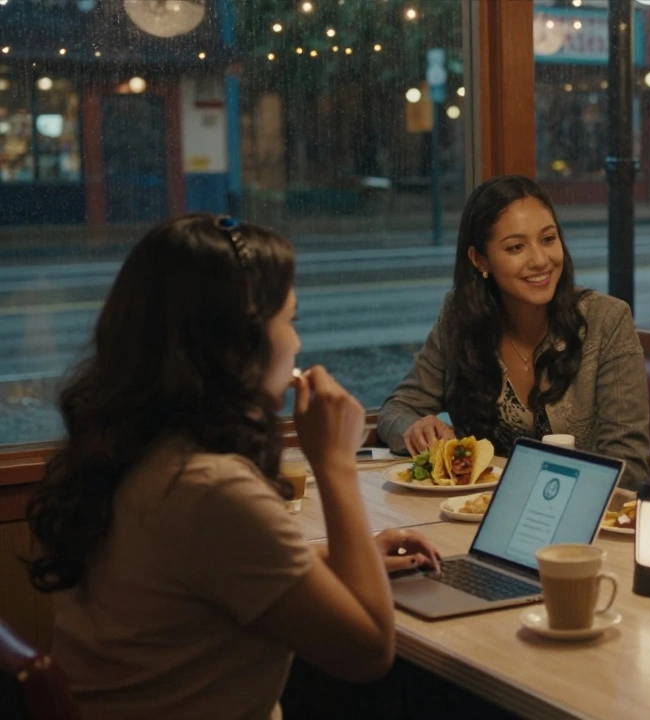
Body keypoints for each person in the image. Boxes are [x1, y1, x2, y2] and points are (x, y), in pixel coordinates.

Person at [23, 214, 443, 720]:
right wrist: (334, 465)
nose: (297, 344)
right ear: (238, 342)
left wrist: (350, 557)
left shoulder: (135, 452)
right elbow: (369, 653)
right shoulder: (208, 488)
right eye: (290, 320)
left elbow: (214, 570)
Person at [377, 175, 650, 488]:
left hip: (579, 524)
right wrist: (414, 428)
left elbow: (630, 465)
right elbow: (395, 410)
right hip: (470, 514)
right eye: (516, 247)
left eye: (548, 239)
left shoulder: (607, 321)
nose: (540, 260)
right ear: (480, 260)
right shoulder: (459, 317)